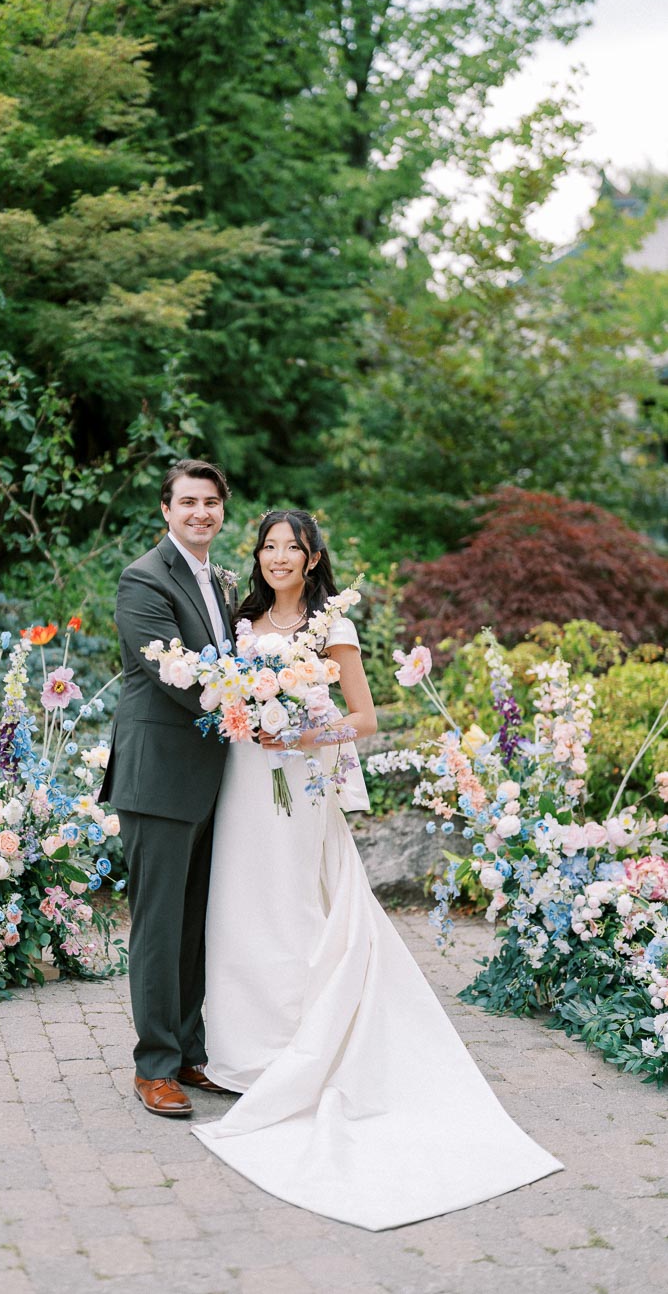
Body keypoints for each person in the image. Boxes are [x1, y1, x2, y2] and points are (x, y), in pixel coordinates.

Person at [192, 510, 563, 1230]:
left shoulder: (332, 625)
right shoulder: (243, 622)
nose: (276, 558)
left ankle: (298, 1051)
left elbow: (362, 717)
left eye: (289, 548)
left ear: (312, 556)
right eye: (267, 547)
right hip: (245, 777)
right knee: (239, 905)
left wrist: (300, 729)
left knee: (295, 907)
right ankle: (240, 1057)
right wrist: (244, 713)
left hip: (299, 781)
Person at [100, 459, 237, 1117]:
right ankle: (153, 1066)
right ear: (166, 509)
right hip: (158, 778)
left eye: (211, 502)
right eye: (188, 501)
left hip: (213, 779)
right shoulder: (143, 579)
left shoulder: (224, 581)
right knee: (158, 926)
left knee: (193, 923)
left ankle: (188, 1052)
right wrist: (250, 703)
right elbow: (174, 673)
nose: (200, 513)